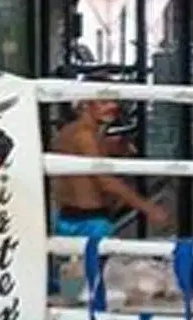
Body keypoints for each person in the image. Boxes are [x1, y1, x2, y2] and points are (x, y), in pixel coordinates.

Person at [50, 98, 170, 240]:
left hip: (66, 218)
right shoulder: (85, 136)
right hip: (91, 223)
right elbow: (104, 181)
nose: (113, 106)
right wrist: (148, 208)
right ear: (85, 104)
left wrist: (107, 146)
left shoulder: (71, 132)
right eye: (104, 102)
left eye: (115, 101)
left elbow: (79, 168)